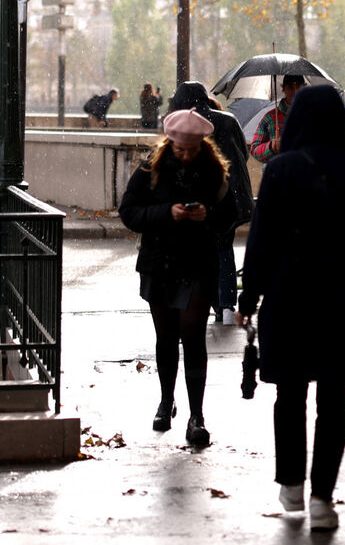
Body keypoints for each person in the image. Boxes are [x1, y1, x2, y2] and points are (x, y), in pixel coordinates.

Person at [237, 85, 345, 530]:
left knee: (289, 395)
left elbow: (262, 241)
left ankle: (290, 484)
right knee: (334, 400)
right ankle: (324, 496)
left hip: (291, 295)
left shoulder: (281, 171)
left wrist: (249, 296)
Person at [119, 108, 235, 447]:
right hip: (160, 263)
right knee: (166, 337)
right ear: (169, 143)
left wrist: (207, 215)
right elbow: (129, 213)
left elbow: (231, 214)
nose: (185, 155)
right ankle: (166, 400)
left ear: (203, 145)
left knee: (194, 335)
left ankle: (197, 415)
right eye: (180, 149)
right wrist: (166, 213)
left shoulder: (214, 171)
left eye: (192, 150)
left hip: (197, 264)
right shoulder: (149, 170)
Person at [169, 81, 254, 326]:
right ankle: (226, 307)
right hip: (235, 193)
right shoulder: (228, 120)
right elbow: (243, 153)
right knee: (224, 247)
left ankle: (212, 303)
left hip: (208, 196)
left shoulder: (188, 122)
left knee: (204, 251)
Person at [250, 74, 305, 162]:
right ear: (283, 89)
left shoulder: (312, 117)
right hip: (276, 173)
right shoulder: (270, 118)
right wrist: (272, 146)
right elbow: (254, 151)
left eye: (298, 87)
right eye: (290, 87)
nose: (295, 91)